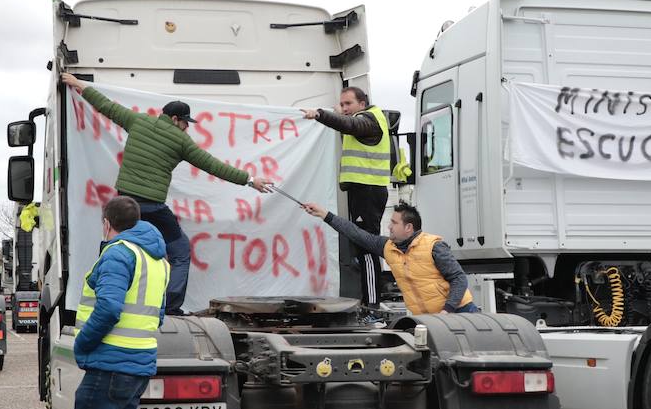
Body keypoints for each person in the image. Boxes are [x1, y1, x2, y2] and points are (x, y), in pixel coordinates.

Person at [62, 72, 274, 315]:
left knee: (116, 247)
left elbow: (106, 106)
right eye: (185, 123)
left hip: (123, 202)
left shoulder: (137, 120)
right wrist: (249, 180)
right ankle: (171, 307)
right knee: (180, 251)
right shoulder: (180, 141)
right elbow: (214, 166)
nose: (187, 128)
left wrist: (79, 85)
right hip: (152, 207)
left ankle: (105, 296)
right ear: (175, 119)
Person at [71, 196, 168, 409]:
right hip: (139, 359)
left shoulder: (117, 253)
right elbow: (157, 314)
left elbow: (110, 307)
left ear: (107, 223)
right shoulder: (157, 259)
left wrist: (83, 343)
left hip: (111, 363)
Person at [301, 200, 476, 315]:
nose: (389, 226)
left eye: (394, 223)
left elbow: (459, 278)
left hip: (459, 313)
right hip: (429, 321)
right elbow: (356, 233)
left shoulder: (434, 246)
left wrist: (447, 310)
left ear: (408, 227)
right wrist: (324, 214)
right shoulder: (388, 247)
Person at [302, 86, 392, 308]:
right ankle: (369, 301)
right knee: (360, 244)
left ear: (362, 104)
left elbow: (350, 124)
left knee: (367, 246)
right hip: (362, 190)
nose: (344, 109)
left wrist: (321, 115)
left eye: (348, 104)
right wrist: (336, 112)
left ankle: (372, 305)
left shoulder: (368, 120)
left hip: (368, 191)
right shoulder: (363, 117)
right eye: (341, 105)